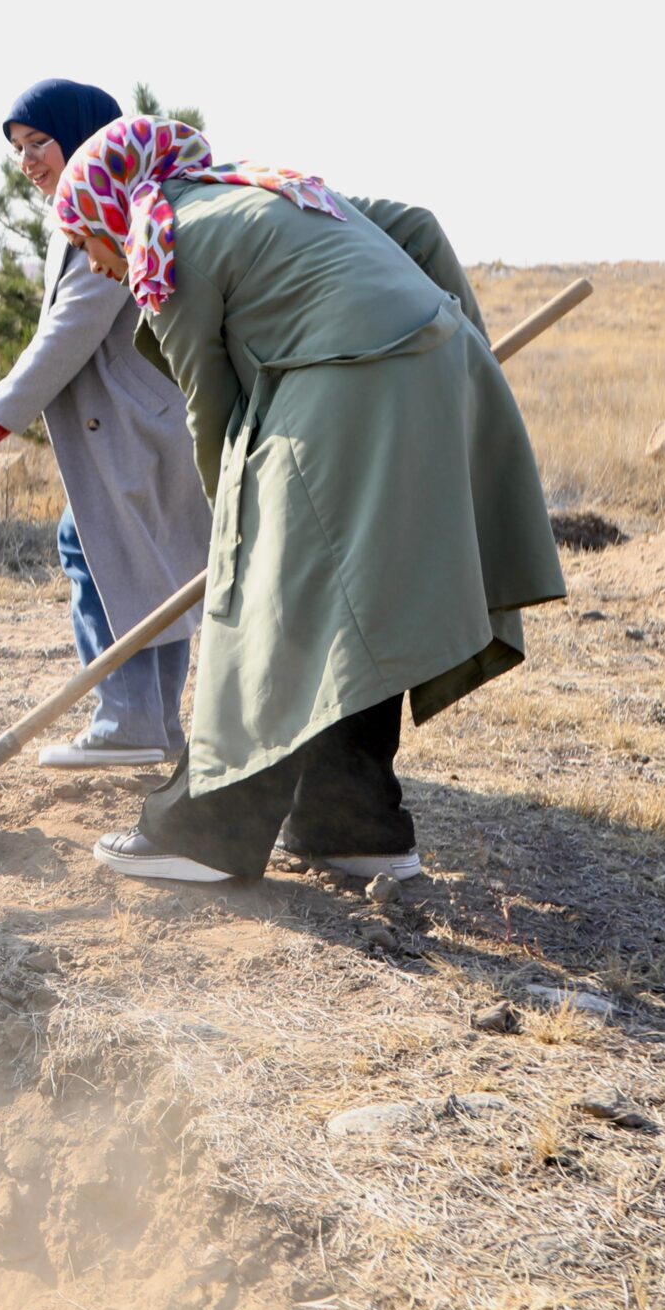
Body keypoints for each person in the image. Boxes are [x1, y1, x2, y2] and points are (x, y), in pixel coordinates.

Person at [53, 118, 564, 885]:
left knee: (270, 610)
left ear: (109, 211)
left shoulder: (168, 244)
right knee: (362, 607)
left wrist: (236, 541)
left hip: (344, 392)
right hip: (438, 370)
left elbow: (211, 411)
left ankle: (203, 835)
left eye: (87, 242)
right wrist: (458, 358)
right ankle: (353, 828)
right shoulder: (268, 189)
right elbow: (418, 229)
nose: (96, 262)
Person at [0, 79, 209, 769]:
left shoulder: (112, 210)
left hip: (135, 425)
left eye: (40, 143)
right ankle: (151, 722)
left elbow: (67, 335)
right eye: (19, 150)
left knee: (105, 552)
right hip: (136, 423)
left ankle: (130, 720)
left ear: (84, 135)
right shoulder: (99, 204)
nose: (28, 161)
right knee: (150, 565)